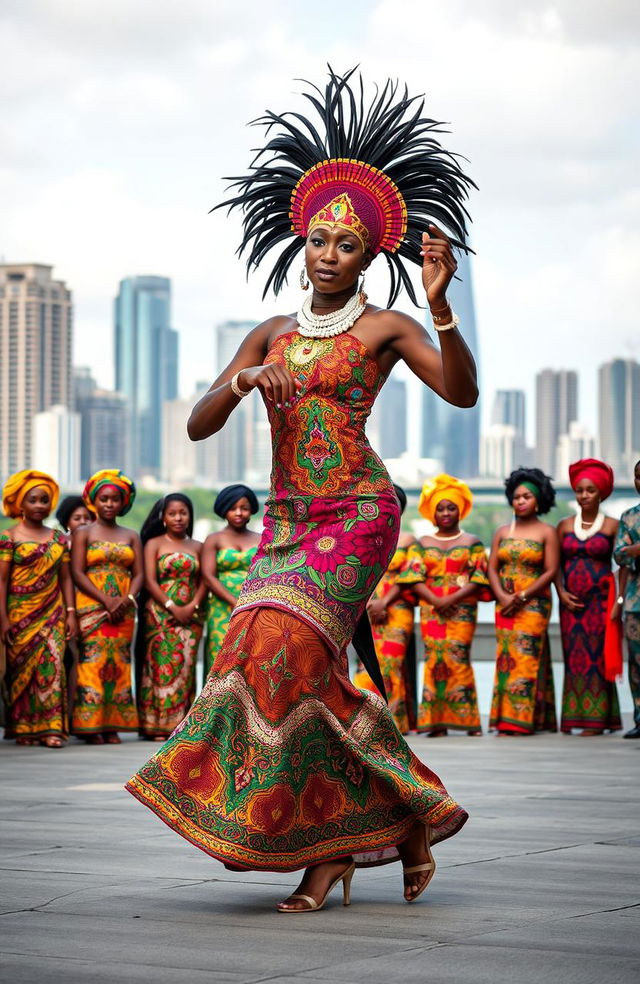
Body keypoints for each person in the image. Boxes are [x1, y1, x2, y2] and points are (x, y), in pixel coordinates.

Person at [127, 68, 477, 911]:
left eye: (346, 245)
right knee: (262, 658)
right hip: (287, 521)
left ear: (369, 255)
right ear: (301, 240)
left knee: (291, 651)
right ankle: (399, 820)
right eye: (318, 240)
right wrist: (246, 380)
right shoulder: (271, 334)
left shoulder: (383, 325)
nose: (327, 254)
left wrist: (440, 306)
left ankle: (340, 854)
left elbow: (461, 393)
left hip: (358, 513)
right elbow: (198, 426)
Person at [396, 474, 489, 736]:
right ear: (432, 512)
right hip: (431, 609)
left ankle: (468, 722)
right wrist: (436, 599)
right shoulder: (423, 543)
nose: (446, 513)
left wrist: (451, 598)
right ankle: (435, 722)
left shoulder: (473, 542)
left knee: (458, 657)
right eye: (440, 508)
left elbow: (479, 576)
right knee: (434, 659)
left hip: (462, 610)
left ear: (461, 510)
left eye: (451, 507)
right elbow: (412, 576)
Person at [0, 471, 77, 747]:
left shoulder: (58, 539)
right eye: (33, 500)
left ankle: (52, 729)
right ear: (20, 503)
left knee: (53, 666)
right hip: (19, 613)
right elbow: (2, 580)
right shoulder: (8, 538)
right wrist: (4, 618)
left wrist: (70, 613)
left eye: (44, 500)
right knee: (20, 671)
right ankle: (24, 728)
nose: (40, 505)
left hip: (52, 611)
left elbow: (66, 578)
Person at [71, 469, 142, 744]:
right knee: (92, 661)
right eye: (104, 499)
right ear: (94, 501)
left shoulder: (131, 535)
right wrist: (106, 600)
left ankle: (112, 725)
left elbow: (139, 574)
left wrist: (126, 600)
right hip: (92, 607)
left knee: (119, 662)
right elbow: (78, 572)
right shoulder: (83, 533)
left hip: (124, 610)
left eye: (115, 499)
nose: (109, 504)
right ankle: (90, 725)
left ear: (123, 502)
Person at [489, 467, 559, 735]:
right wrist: (503, 596)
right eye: (516, 497)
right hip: (504, 604)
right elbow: (492, 568)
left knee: (526, 657)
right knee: (506, 658)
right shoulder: (503, 531)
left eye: (527, 496)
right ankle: (504, 718)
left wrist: (521, 596)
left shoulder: (546, 532)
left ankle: (521, 720)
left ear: (539, 499)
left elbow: (551, 571)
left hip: (534, 605)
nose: (520, 501)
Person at [556, 459, 623, 735]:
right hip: (571, 605)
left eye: (590, 490)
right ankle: (574, 718)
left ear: (601, 493)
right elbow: (556, 565)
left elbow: (620, 567)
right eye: (580, 490)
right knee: (574, 659)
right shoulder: (563, 525)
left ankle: (598, 720)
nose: (584, 495)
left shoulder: (612, 526)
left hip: (600, 603)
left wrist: (618, 602)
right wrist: (561, 593)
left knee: (597, 657)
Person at [137, 494, 206, 740]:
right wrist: (171, 605)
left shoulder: (198, 546)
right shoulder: (154, 544)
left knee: (186, 668)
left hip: (192, 616)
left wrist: (192, 605)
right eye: (172, 513)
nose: (178, 518)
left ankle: (181, 725)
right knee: (159, 668)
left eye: (183, 513)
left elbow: (204, 580)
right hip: (160, 615)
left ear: (189, 516)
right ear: (163, 518)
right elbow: (149, 580)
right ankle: (156, 725)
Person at [355, 484, 417, 734]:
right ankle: (366, 721)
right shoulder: (364, 537)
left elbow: (412, 574)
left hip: (397, 610)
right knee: (366, 665)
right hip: (365, 611)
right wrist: (368, 602)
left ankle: (394, 723)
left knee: (391, 664)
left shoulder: (409, 540)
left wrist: (384, 602)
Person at [201, 485, 261, 681]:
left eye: (244, 508)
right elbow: (208, 576)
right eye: (233, 508)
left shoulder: (261, 540)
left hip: (253, 607)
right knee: (220, 655)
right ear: (224, 510)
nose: (239, 513)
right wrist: (233, 601)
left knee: (251, 657)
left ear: (251, 509)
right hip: (221, 608)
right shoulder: (214, 539)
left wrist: (249, 603)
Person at [56, 495, 94, 729]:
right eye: (76, 517)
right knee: (62, 662)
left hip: (84, 607)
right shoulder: (59, 542)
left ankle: (74, 717)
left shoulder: (93, 541)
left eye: (86, 517)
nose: (82, 521)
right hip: (56, 607)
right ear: (66, 521)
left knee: (78, 662)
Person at [613, 458, 640, 739]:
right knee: (635, 663)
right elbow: (620, 554)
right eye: (636, 477)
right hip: (635, 601)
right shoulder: (629, 517)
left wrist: (634, 549)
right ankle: (639, 717)